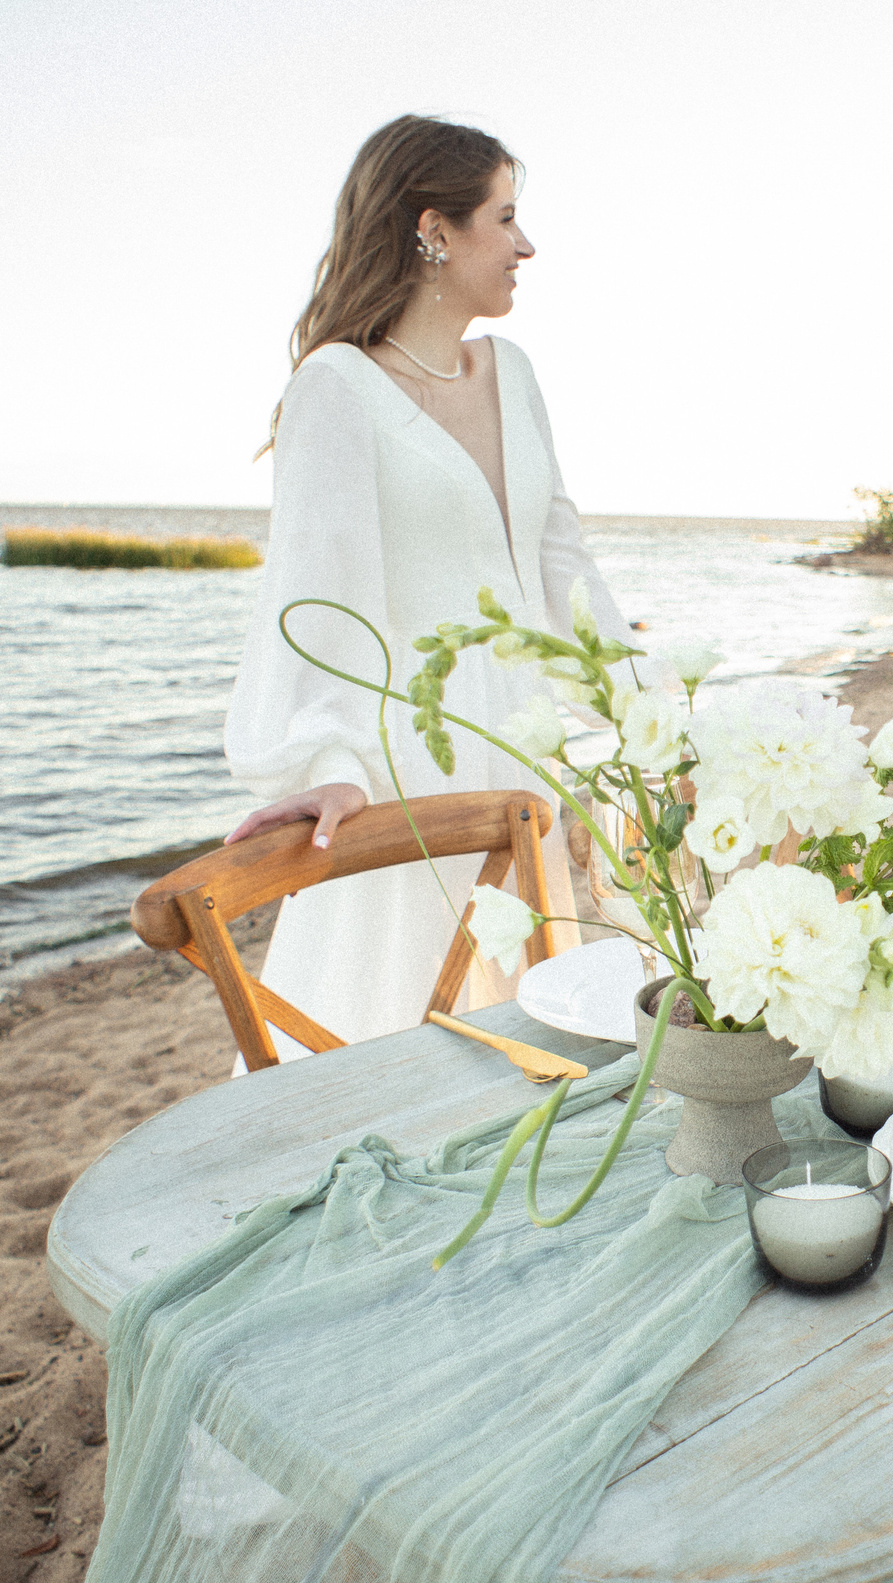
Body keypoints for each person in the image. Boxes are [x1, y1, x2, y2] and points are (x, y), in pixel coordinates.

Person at [223, 115, 636, 1055]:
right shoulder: (336, 386)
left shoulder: (515, 372)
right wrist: (325, 765)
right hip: (418, 763)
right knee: (416, 1035)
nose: (527, 244)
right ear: (434, 231)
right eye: (505, 217)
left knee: (552, 1031)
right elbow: (314, 604)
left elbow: (564, 564)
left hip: (526, 747)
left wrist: (648, 716)